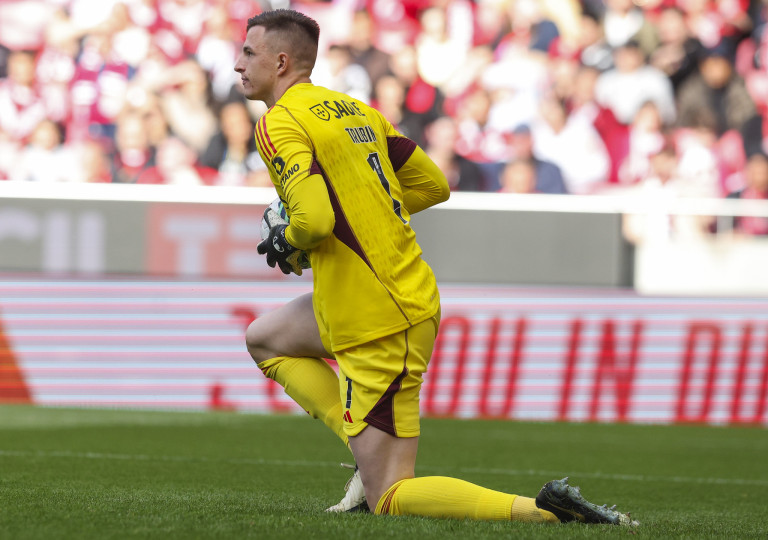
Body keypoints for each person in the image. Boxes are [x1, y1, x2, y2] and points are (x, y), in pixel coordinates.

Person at [236, 8, 638, 527]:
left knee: (390, 496)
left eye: (249, 52)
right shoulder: (356, 110)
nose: (239, 63)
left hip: (374, 319)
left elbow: (312, 223)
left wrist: (289, 238)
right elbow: (433, 184)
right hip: (393, 297)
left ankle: (547, 514)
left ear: (282, 61)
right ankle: (362, 445)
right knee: (265, 337)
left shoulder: (278, 122)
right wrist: (361, 209)